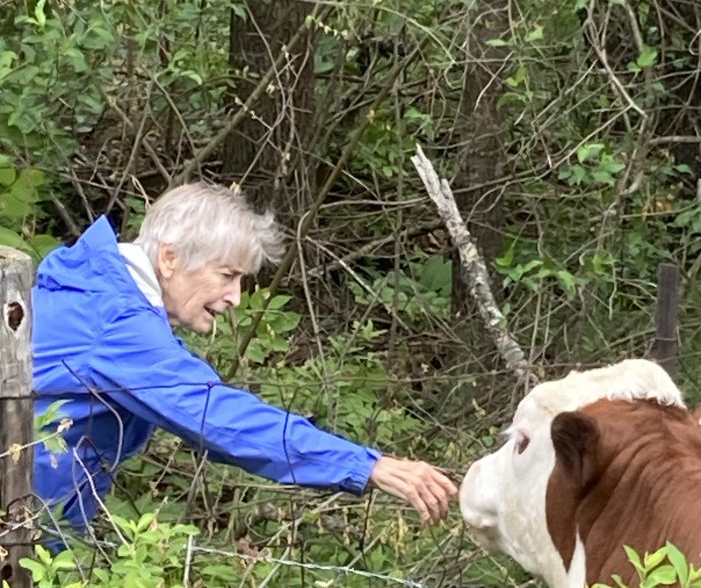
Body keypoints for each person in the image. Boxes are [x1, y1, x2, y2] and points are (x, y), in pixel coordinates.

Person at [33, 182, 457, 540]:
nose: (235, 297)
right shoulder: (116, 321)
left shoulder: (94, 288)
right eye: (226, 275)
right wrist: (367, 465)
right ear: (170, 258)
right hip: (23, 535)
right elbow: (217, 418)